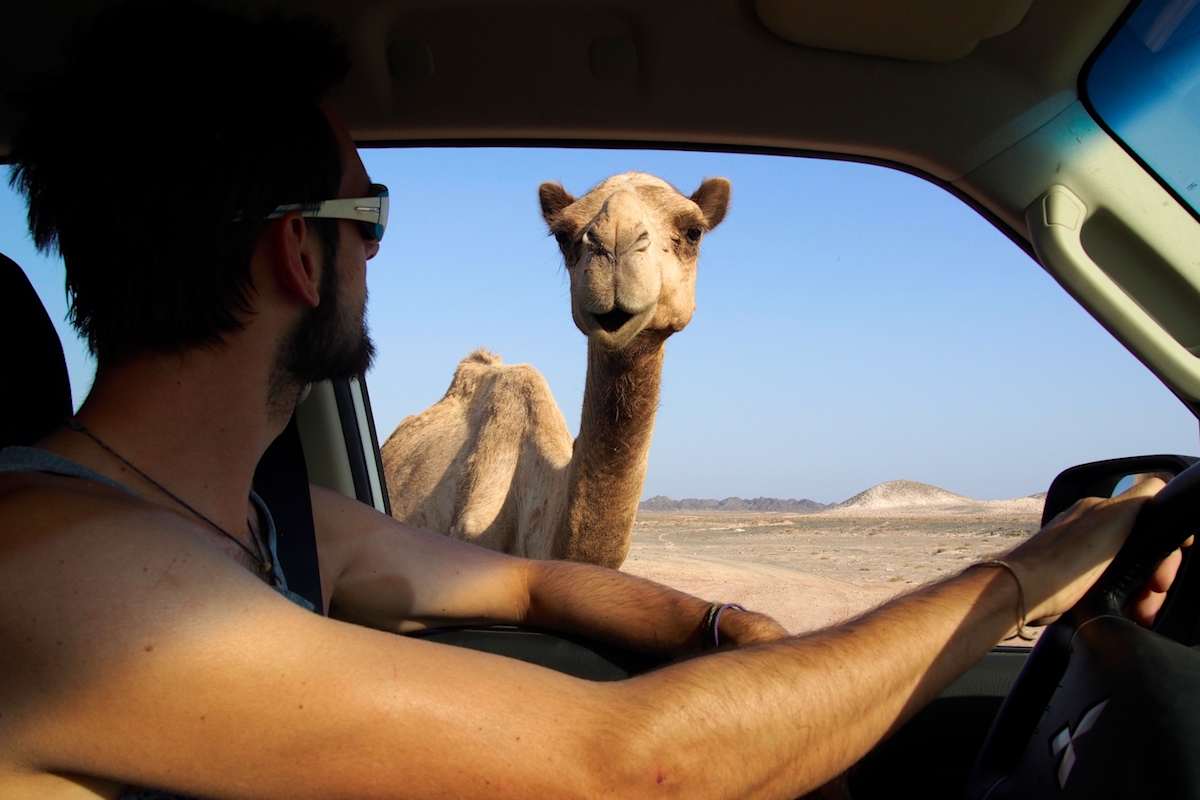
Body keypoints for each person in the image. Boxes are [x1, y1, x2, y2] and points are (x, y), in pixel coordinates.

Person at [0, 4, 1186, 798]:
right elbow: (628, 768)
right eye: (371, 219)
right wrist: (1039, 565)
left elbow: (527, 576)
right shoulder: (62, 575)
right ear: (301, 259)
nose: (382, 254)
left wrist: (719, 628)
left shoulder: (259, 512)